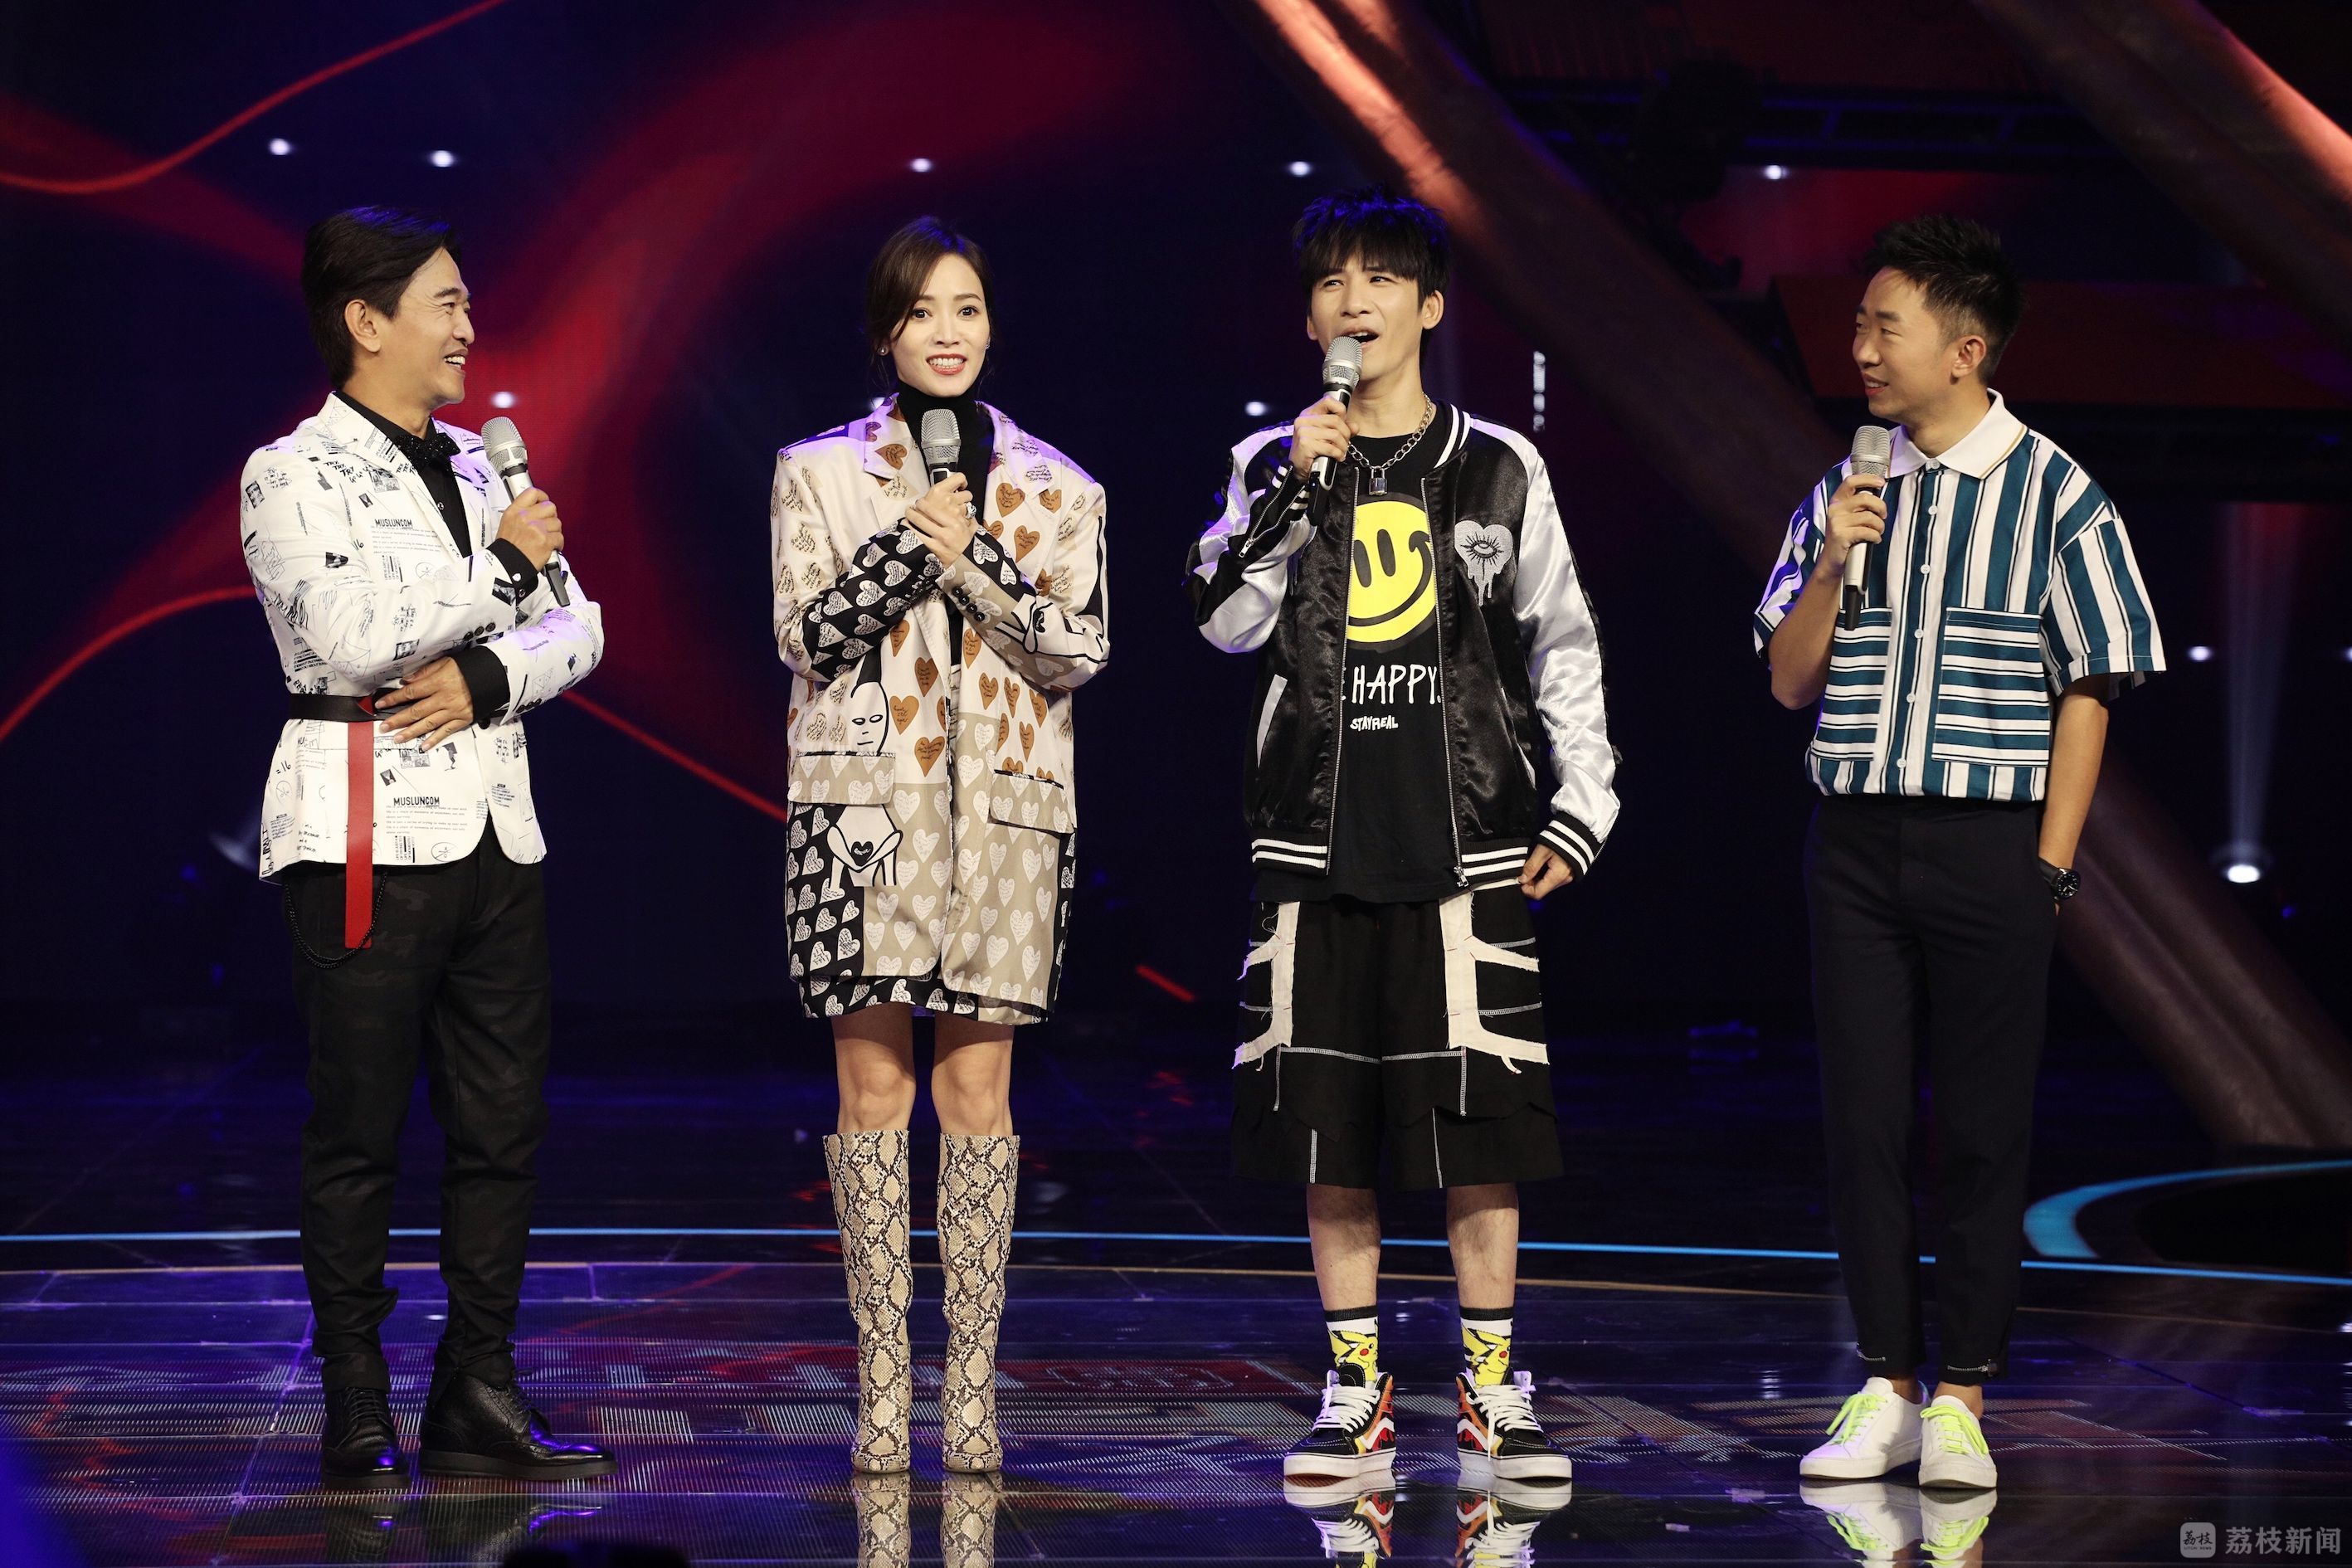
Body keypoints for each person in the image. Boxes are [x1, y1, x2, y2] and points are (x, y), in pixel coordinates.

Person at [1186, 187, 1614, 1493]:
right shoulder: (1272, 458)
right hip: (1313, 849)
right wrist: (1289, 487)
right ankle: (1355, 1395)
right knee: (1329, 1136)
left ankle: (1492, 1392)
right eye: (1332, 281)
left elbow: (1563, 639)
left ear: (1429, 305)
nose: (1353, 301)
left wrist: (1582, 803)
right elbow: (1222, 622)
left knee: (1482, 1137)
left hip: (1466, 845)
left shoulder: (1500, 465)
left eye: (1380, 279)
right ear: (1309, 314)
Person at [1755, 215, 2163, 1491]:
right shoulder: (1844, 487)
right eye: (1860, 325)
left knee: (1982, 1128)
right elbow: (1788, 680)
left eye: (1887, 326)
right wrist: (1834, 560)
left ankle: (1965, 1394)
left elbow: (2090, 688)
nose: (1862, 349)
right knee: (1864, 1122)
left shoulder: (2059, 494)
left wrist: (2049, 865)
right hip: (1855, 842)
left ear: (1965, 347)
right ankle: (1883, 1383)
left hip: (1993, 844)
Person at [242, 207, 612, 1484]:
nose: (467, 325)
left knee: (502, 1123)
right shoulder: (291, 470)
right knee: (357, 1127)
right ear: (366, 320)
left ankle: (478, 1386)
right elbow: (353, 635)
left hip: (498, 827)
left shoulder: (482, 462)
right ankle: (355, 1394)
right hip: (362, 824)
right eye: (445, 302)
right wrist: (501, 575)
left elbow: (583, 624)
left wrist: (490, 676)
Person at [771, 216, 1110, 1473]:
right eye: (922, 311)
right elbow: (807, 636)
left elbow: (1076, 650)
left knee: (980, 1097)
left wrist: (975, 566)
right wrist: (914, 542)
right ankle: (881, 1381)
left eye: (966, 307)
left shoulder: (1061, 486)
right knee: (872, 1095)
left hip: (1009, 823)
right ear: (886, 331)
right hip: (861, 819)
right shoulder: (817, 471)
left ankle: (969, 1384)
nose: (947, 332)